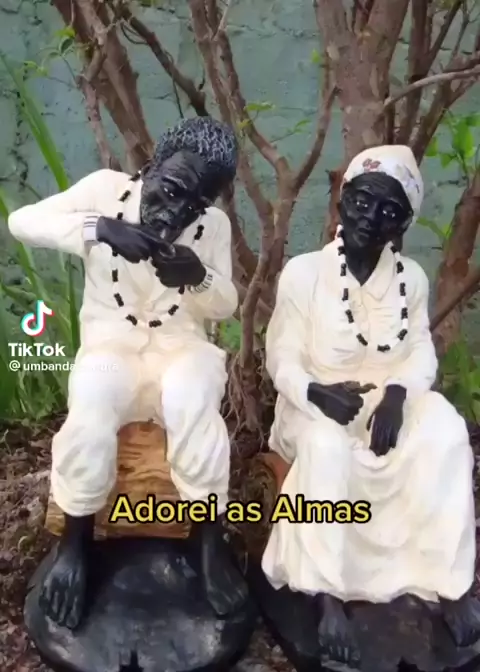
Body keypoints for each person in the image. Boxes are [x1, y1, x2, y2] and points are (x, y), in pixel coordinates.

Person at [8, 116, 247, 629]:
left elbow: (226, 304)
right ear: (152, 167)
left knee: (194, 402)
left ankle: (208, 542)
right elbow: (22, 222)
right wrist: (98, 229)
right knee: (92, 403)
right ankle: (75, 542)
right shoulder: (105, 191)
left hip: (181, 349)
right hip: (111, 346)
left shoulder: (213, 227)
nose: (178, 211)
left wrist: (199, 277)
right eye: (172, 190)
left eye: (195, 204)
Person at [262, 144, 480, 665]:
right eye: (362, 201)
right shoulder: (304, 274)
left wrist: (399, 394)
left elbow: (420, 350)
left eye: (389, 210)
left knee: (446, 430)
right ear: (342, 201)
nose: (370, 216)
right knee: (326, 446)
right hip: (312, 404)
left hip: (387, 403)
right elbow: (282, 357)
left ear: (401, 223)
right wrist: (314, 392)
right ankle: (325, 595)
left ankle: (447, 583)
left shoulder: (411, 280)